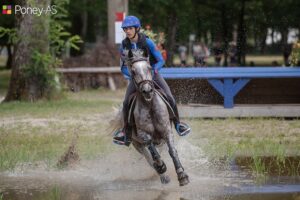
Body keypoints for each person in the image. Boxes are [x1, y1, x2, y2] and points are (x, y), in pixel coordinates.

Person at [113, 16, 191, 146]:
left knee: (170, 97)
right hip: (137, 79)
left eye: (130, 28)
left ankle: (178, 125)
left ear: (137, 29)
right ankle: (126, 132)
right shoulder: (123, 45)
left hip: (153, 75)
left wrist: (154, 70)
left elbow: (161, 60)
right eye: (125, 29)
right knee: (126, 102)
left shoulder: (147, 42)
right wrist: (132, 76)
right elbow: (122, 67)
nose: (127, 31)